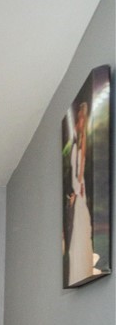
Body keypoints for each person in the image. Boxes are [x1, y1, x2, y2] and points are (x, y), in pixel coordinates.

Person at [67, 100, 100, 284]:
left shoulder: (80, 146)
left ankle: (83, 267)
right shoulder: (73, 147)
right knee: (76, 240)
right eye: (78, 119)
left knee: (80, 231)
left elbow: (79, 172)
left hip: (80, 193)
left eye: (81, 119)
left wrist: (78, 187)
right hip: (77, 192)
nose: (79, 123)